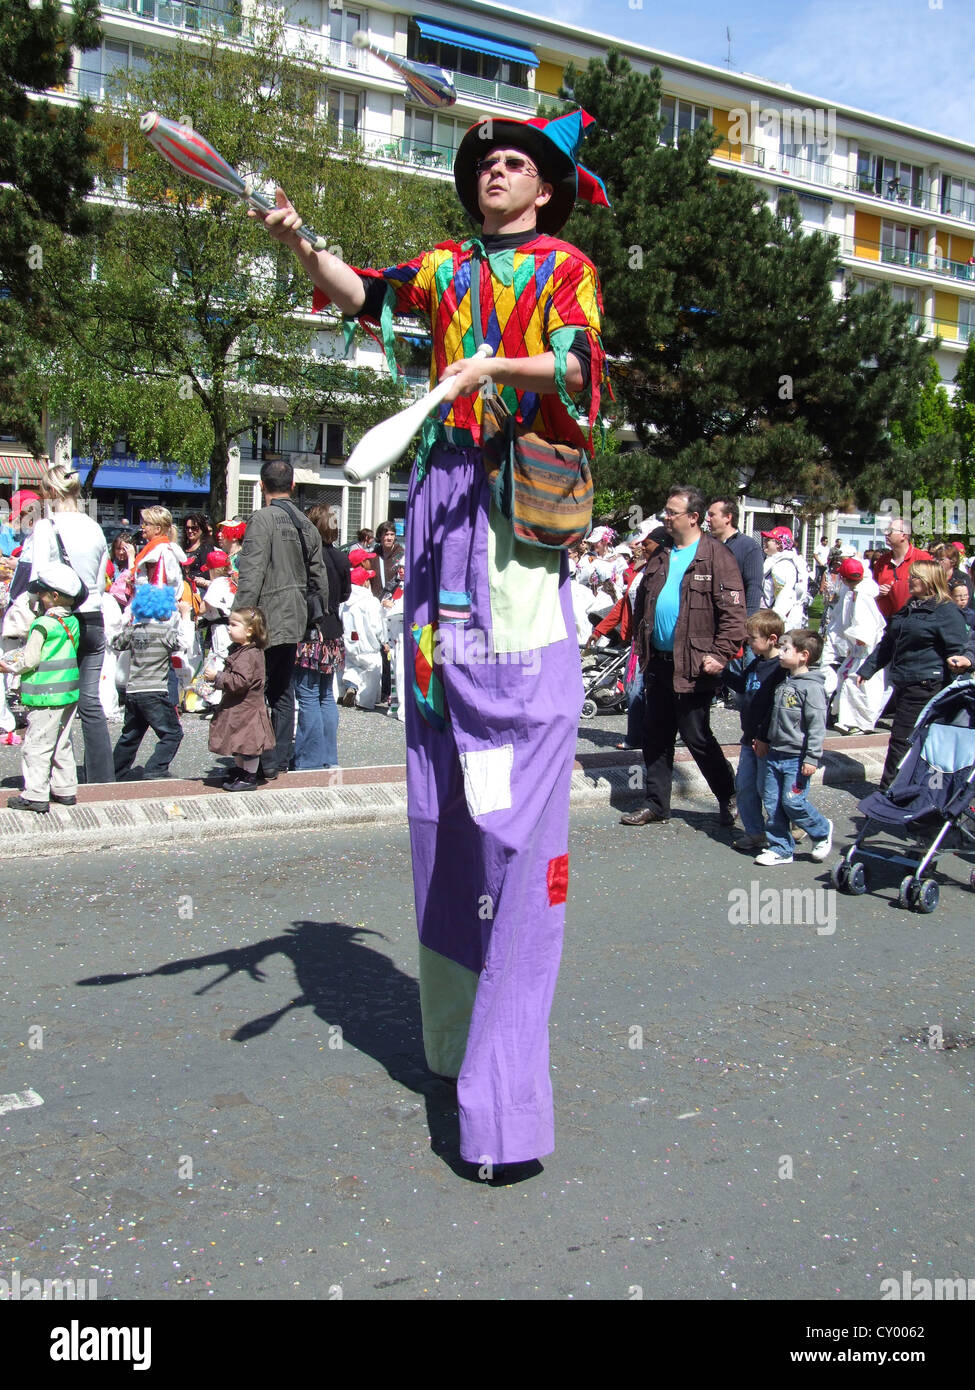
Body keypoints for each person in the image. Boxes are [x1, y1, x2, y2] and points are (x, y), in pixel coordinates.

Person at [253, 106, 610, 1169]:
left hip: (509, 524)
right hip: (435, 517)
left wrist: (495, 372)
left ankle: (505, 1104)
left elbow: (584, 372)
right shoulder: (448, 268)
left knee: (511, 824)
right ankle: (452, 1051)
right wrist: (297, 238)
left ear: (543, 186)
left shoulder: (563, 265)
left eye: (513, 164)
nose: (493, 174)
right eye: (485, 164)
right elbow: (365, 291)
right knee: (441, 804)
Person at [622, 485, 746, 827]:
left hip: (695, 665)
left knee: (697, 736)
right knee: (655, 735)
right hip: (658, 663)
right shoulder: (660, 556)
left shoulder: (716, 555)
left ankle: (729, 794)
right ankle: (656, 803)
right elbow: (644, 603)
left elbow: (735, 616)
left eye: (671, 512)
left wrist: (721, 654)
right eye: (665, 511)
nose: (665, 517)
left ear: (693, 517)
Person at [232, 459, 330, 780]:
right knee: (284, 691)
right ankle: (278, 760)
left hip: (264, 620)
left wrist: (240, 619)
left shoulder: (261, 520)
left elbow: (251, 574)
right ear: (292, 486)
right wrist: (316, 617)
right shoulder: (306, 524)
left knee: (255, 690)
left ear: (262, 486)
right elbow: (320, 579)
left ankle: (258, 759)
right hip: (295, 619)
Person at [27, 465, 113, 784]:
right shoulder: (94, 527)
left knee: (54, 699)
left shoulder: (46, 527)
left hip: (62, 621)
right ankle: (102, 778)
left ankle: (51, 775)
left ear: (50, 493)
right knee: (90, 701)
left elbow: (37, 580)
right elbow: (102, 580)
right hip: (94, 617)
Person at [856, 560, 972, 788]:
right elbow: (888, 642)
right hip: (905, 681)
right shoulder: (911, 607)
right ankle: (908, 790)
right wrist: (868, 669)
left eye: (915, 576)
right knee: (909, 740)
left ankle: (889, 791)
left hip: (928, 684)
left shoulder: (946, 611)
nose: (910, 580)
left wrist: (961, 663)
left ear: (930, 581)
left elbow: (959, 648)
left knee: (902, 739)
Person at [0, 562, 84, 813]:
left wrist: (7, 666)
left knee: (37, 745)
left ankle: (35, 794)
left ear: (53, 596)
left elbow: (30, 659)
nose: (37, 598)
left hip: (45, 694)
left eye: (41, 594)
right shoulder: (72, 623)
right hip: (68, 692)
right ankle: (65, 789)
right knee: (61, 742)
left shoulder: (42, 625)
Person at [752, 629, 832, 866]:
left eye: (786, 648)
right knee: (773, 801)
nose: (780, 653)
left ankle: (821, 829)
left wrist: (812, 758)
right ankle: (781, 848)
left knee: (793, 801)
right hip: (775, 752)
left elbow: (817, 726)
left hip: (796, 758)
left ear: (804, 655)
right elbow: (772, 717)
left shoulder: (812, 688)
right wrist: (763, 738)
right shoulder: (785, 682)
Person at [111, 585, 195, 780]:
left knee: (130, 735)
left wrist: (127, 621)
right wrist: (185, 616)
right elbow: (185, 643)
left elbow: (116, 643)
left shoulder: (133, 630)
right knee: (172, 733)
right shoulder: (165, 632)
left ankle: (115, 771)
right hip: (155, 691)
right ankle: (156, 768)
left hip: (133, 691)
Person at [723, 609, 786, 854]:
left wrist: (763, 737)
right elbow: (742, 686)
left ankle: (781, 833)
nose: (748, 642)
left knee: (768, 790)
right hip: (748, 737)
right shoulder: (757, 664)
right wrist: (722, 672)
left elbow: (773, 709)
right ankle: (755, 832)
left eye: (753, 638)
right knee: (745, 786)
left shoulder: (779, 669)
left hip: (765, 740)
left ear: (772, 639)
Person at [293, 504, 351, 769]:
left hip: (311, 632)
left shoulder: (307, 557)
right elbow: (346, 594)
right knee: (326, 695)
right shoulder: (341, 557)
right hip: (333, 630)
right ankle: (329, 757)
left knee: (306, 694)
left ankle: (309, 759)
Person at [206, 607, 276, 791]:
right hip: (238, 708)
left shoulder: (249, 654)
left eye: (234, 624)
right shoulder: (243, 651)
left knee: (249, 747)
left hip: (247, 710)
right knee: (237, 742)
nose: (229, 628)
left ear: (250, 630)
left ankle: (249, 776)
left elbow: (240, 682)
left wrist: (217, 677)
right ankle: (240, 770)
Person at [831, 558, 890, 735]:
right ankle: (847, 717)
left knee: (859, 683)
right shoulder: (855, 593)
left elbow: (866, 624)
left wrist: (860, 640)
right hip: (858, 648)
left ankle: (860, 721)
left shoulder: (862, 595)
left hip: (866, 648)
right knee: (845, 676)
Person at [706, 499, 764, 616]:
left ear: (728, 517)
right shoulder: (705, 545)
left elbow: (754, 587)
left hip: (734, 620)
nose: (707, 519)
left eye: (712, 515)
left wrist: (748, 623)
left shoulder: (748, 547)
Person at [871, 518, 930, 622]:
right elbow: (872, 587)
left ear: (904, 535)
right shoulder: (882, 561)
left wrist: (898, 590)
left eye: (890, 530)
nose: (886, 533)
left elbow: (931, 590)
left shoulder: (923, 559)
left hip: (912, 620)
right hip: (884, 622)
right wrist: (877, 591)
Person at [761, 526, 808, 628]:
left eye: (768, 540)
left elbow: (785, 595)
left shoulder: (782, 565)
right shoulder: (778, 561)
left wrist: (775, 621)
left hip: (783, 621)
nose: (765, 542)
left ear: (779, 544)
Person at [369, 521, 404, 602]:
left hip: (396, 604)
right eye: (386, 534)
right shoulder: (373, 556)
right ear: (380, 536)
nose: (389, 538)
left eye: (392, 534)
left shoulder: (402, 555)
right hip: (377, 602)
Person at [180, 513, 213, 586]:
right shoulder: (182, 548)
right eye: (187, 528)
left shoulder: (206, 548)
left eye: (194, 528)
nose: (190, 531)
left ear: (202, 529)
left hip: (198, 590)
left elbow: (208, 573)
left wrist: (190, 577)